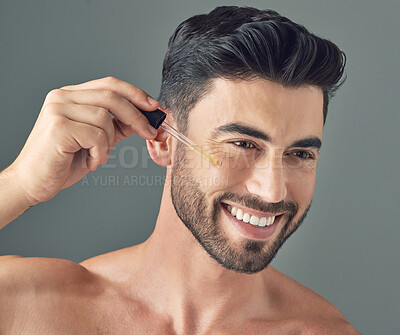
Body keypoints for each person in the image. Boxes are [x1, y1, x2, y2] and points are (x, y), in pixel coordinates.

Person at [0, 6, 360, 334]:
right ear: (162, 140)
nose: (273, 191)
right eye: (243, 144)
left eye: (299, 153)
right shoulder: (32, 308)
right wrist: (19, 185)